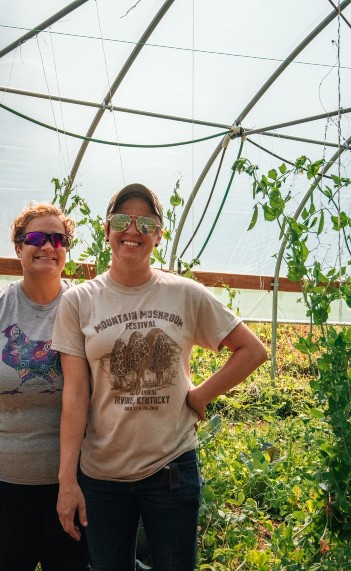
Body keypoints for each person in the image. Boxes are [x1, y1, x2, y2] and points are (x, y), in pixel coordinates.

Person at [53, 183, 268, 570]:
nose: (132, 230)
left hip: (171, 468)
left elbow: (252, 350)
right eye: (121, 220)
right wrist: (67, 480)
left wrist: (200, 395)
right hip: (102, 475)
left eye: (145, 223)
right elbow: (74, 394)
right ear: (106, 230)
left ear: (158, 235)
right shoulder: (79, 301)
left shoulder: (185, 294)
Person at [0, 203, 90, 571]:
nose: (47, 246)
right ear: (17, 248)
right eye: (36, 238)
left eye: (58, 239)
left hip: (75, 477)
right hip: (2, 477)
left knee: (70, 564)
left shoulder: (87, 306)